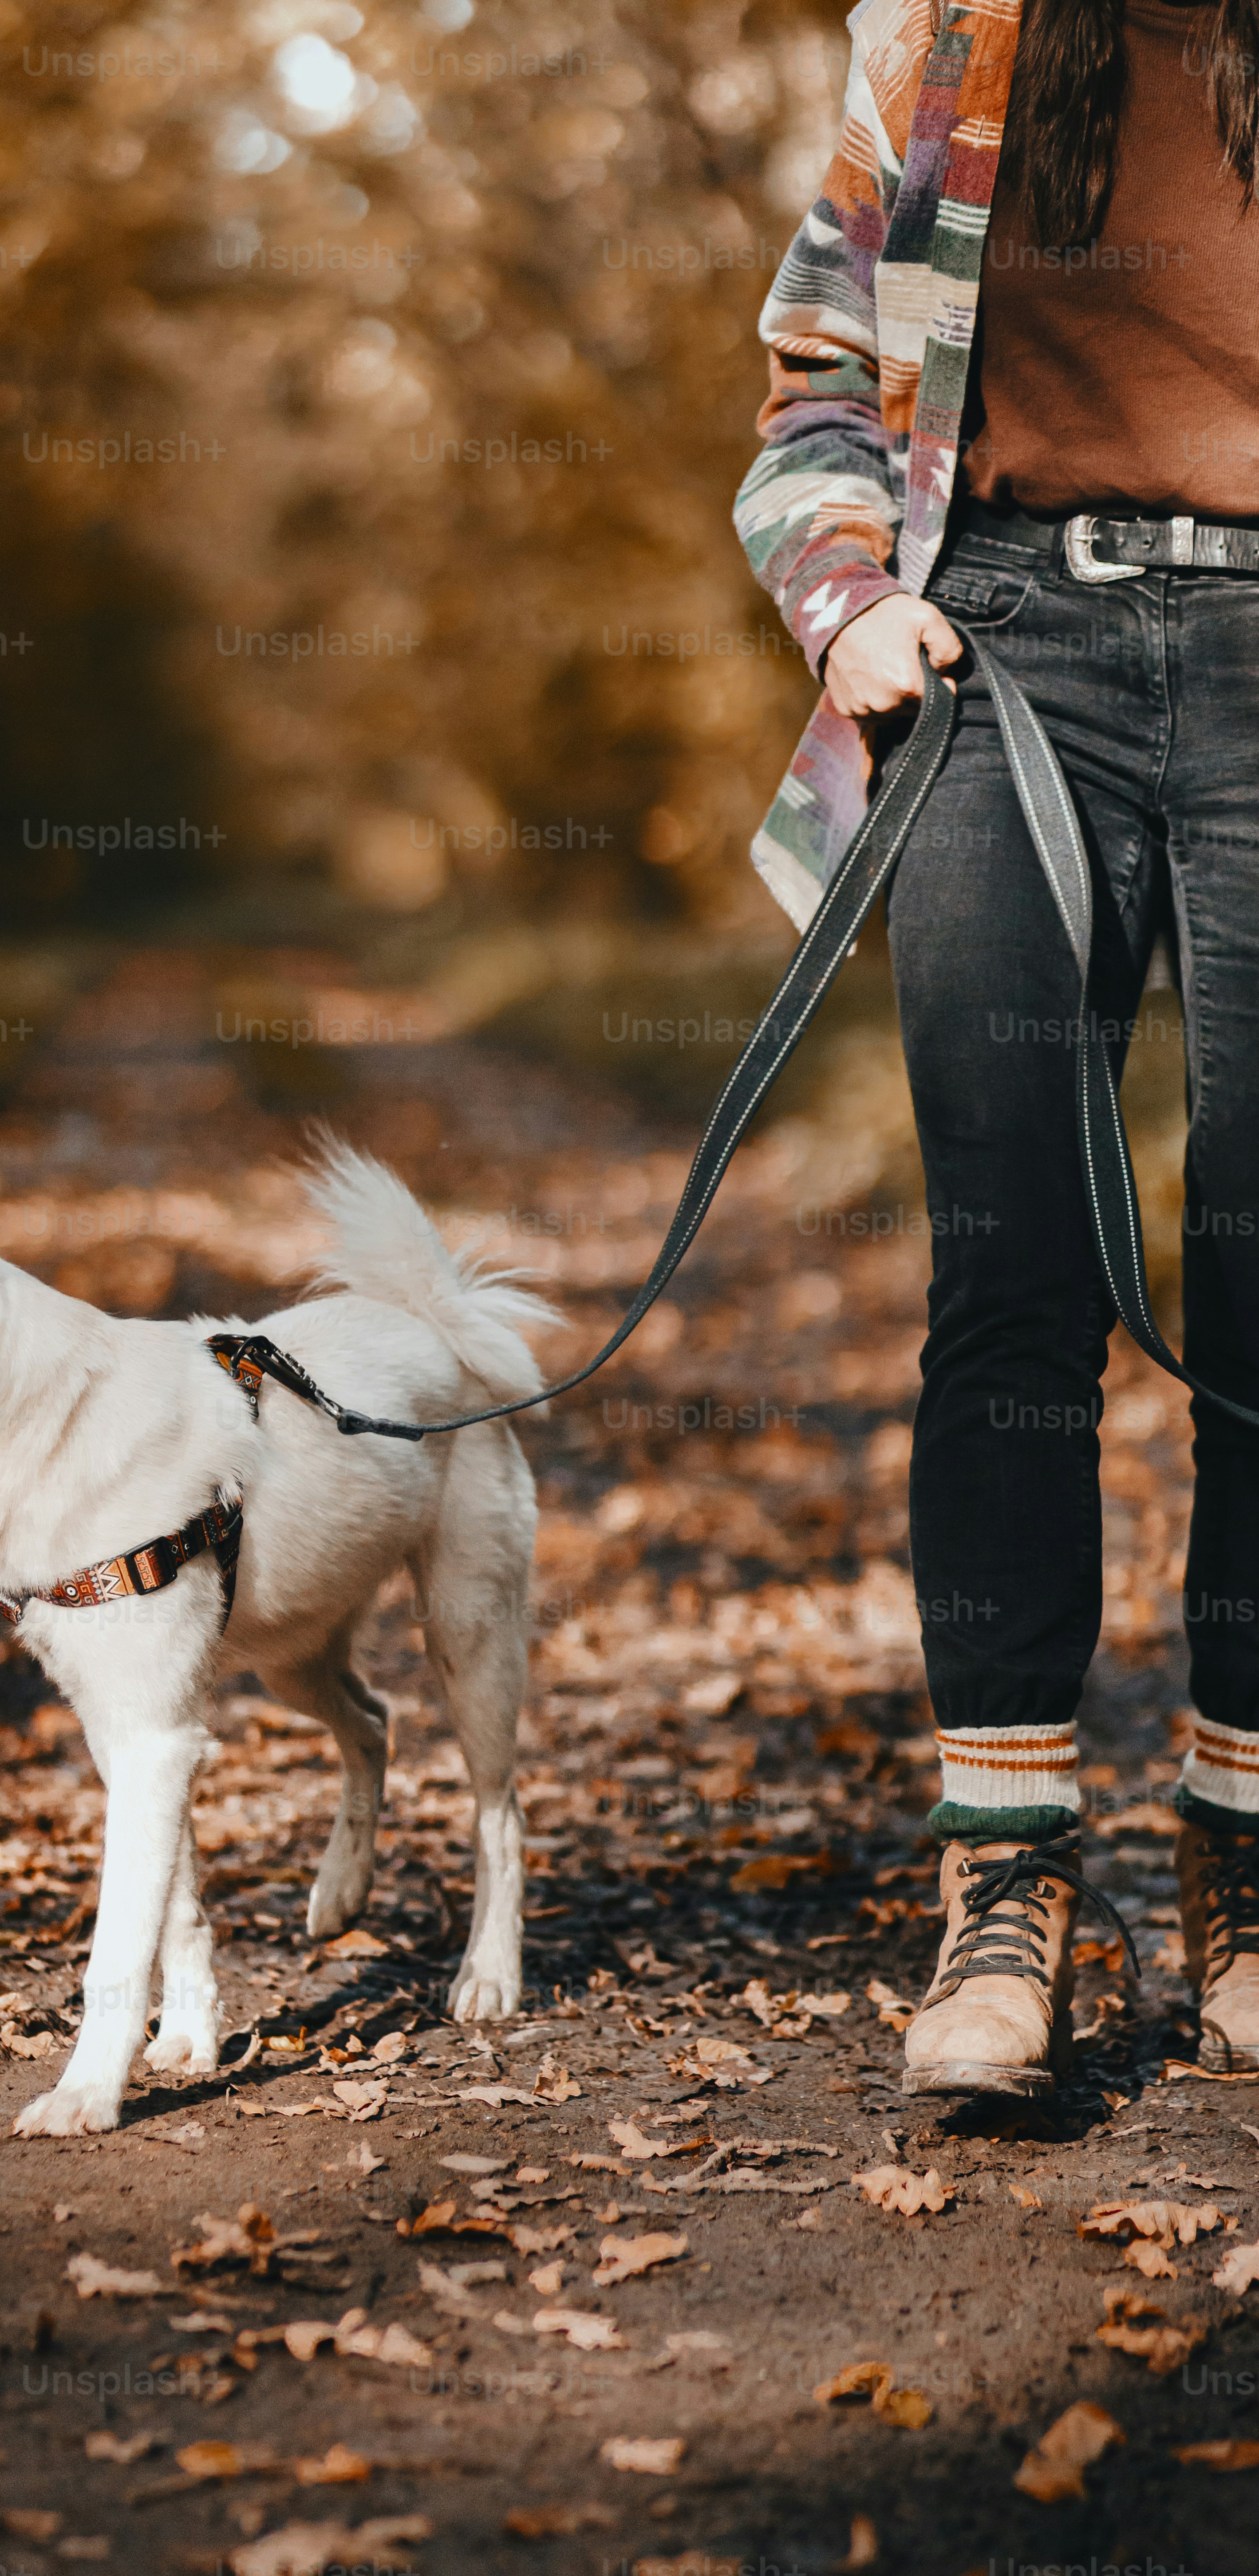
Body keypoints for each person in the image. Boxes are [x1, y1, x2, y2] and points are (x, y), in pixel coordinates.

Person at [734, 0, 1259, 2094]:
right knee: (1014, 1281)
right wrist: (847, 595)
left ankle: (1243, 1851)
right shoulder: (952, 40)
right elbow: (816, 374)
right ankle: (1007, 1875)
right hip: (1004, 651)